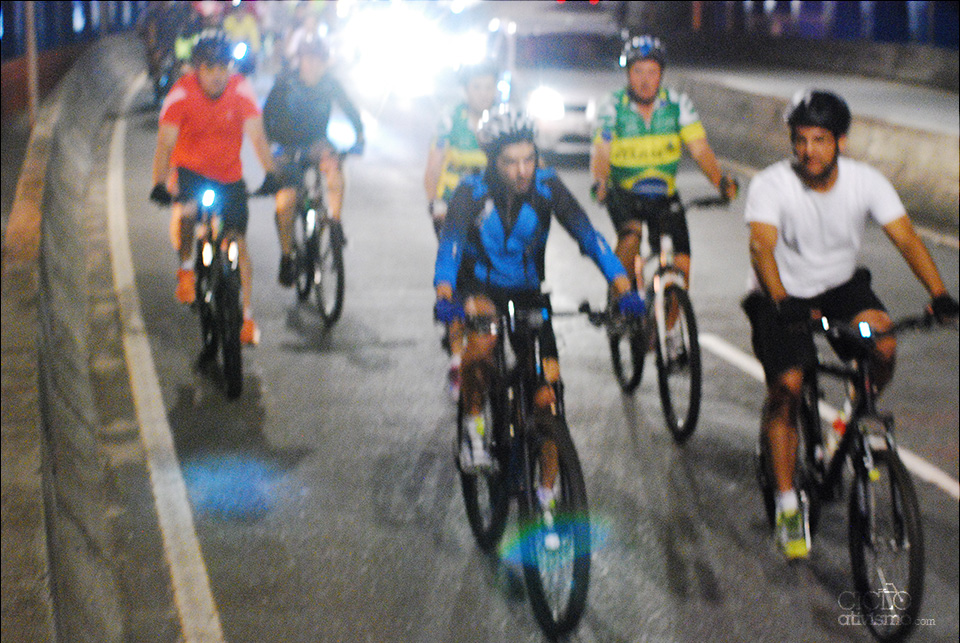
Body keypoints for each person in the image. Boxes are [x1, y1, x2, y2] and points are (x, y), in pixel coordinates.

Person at [741, 89, 959, 560]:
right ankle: (786, 505)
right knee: (788, 387)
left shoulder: (866, 181)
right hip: (781, 295)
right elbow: (761, 247)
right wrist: (781, 301)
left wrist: (939, 294)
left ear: (840, 140)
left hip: (840, 290)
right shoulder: (772, 184)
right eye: (800, 140)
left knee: (883, 342)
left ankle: (848, 419)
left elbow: (906, 237)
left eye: (820, 139)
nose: (808, 151)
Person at [433, 109, 645, 488]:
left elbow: (589, 237)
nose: (522, 171)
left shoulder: (548, 186)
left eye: (529, 159)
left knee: (549, 396)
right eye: (510, 162)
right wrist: (445, 295)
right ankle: (473, 427)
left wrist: (623, 288)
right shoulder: (470, 191)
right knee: (483, 343)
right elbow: (450, 247)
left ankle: (547, 498)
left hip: (529, 291)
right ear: (492, 161)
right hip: (481, 287)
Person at [149, 30, 280, 345]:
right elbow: (165, 144)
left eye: (223, 67)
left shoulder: (240, 89)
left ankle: (246, 316)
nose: (218, 75)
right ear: (198, 68)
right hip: (191, 172)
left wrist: (270, 173)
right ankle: (186, 269)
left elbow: (257, 136)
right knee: (187, 213)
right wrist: (159, 184)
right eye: (210, 68)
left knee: (239, 243)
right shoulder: (181, 93)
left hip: (229, 176)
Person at [591, 35, 737, 297]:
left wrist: (720, 181)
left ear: (661, 74)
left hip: (664, 194)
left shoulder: (678, 104)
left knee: (682, 262)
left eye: (652, 72)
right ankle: (621, 300)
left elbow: (700, 149)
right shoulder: (611, 106)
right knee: (631, 237)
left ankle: (670, 320)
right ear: (627, 74)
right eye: (638, 71)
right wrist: (600, 182)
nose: (645, 80)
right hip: (625, 193)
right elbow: (602, 151)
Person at [262, 35, 365, 287]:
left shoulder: (330, 84)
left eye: (319, 60)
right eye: (308, 59)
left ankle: (335, 223)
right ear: (300, 60)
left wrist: (359, 136)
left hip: (317, 143)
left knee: (335, 166)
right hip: (287, 148)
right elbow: (265, 119)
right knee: (286, 201)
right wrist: (272, 148)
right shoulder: (285, 83)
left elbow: (350, 110)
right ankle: (287, 256)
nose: (313, 65)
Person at [424, 60, 500, 238]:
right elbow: (433, 168)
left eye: (489, 87)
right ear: (466, 89)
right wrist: (434, 203)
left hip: (493, 207)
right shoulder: (450, 120)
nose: (483, 94)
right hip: (453, 204)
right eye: (477, 87)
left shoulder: (503, 118)